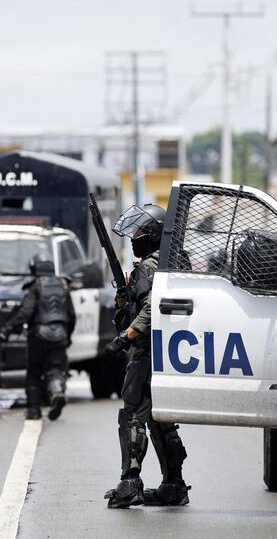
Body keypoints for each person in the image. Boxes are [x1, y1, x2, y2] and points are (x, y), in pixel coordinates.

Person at [104, 203, 190, 509]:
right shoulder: (174, 263)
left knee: (132, 413)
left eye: (139, 232)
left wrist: (127, 336)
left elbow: (152, 308)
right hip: (170, 349)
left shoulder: (148, 268)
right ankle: (174, 485)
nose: (134, 238)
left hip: (147, 350)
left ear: (152, 235)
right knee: (159, 418)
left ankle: (130, 482)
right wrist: (123, 304)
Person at [0, 253, 75, 421]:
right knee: (55, 370)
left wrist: (7, 331)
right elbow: (71, 315)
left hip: (38, 336)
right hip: (60, 334)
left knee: (34, 371)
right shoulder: (63, 284)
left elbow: (25, 312)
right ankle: (56, 393)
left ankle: (33, 410)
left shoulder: (35, 286)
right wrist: (67, 337)